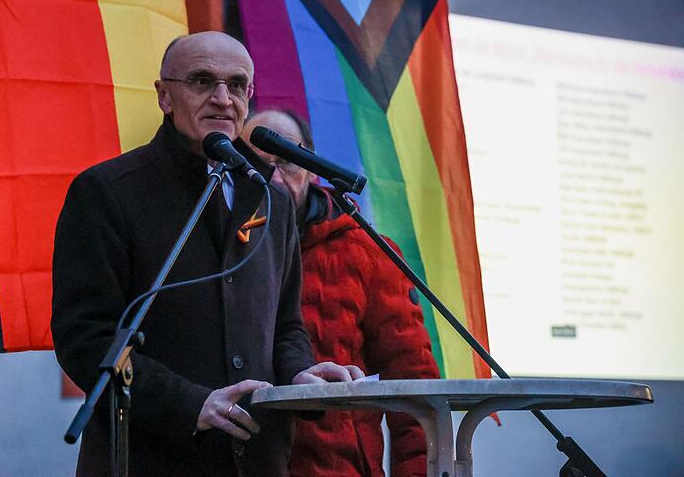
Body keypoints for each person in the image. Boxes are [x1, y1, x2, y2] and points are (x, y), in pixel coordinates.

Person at [51, 32, 362, 477]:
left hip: (257, 459)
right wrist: (191, 404)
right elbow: (85, 337)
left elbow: (285, 326)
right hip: (150, 459)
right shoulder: (107, 192)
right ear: (164, 95)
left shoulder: (270, 199)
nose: (222, 98)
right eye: (201, 81)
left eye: (237, 85)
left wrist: (301, 374)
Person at [243, 110, 441, 477]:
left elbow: (414, 391)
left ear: (312, 167)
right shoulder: (216, 251)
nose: (274, 175)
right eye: (257, 162)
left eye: (288, 159)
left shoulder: (367, 251)